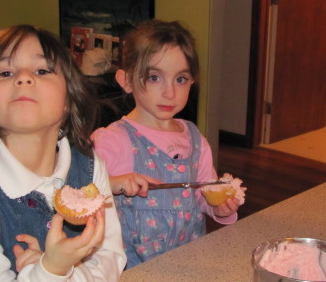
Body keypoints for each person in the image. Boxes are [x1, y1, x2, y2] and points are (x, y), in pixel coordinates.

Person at [0, 25, 126, 281]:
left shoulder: (91, 167)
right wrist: (51, 270)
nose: (24, 78)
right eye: (5, 72)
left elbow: (110, 259)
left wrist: (59, 271)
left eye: (42, 70)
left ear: (69, 101)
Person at [91, 19, 241, 269]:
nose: (170, 92)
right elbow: (79, 194)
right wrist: (114, 183)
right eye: (154, 78)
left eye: (180, 79)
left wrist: (219, 208)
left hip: (187, 262)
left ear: (192, 81)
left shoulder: (195, 140)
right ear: (126, 80)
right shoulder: (113, 140)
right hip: (132, 266)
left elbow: (203, 193)